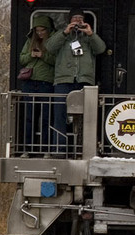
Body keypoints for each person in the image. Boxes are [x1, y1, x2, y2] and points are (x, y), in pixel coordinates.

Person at [45, 9, 106, 156]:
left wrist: (90, 34)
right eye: (75, 18)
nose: (78, 21)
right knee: (59, 115)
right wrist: (65, 32)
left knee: (87, 117)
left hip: (84, 81)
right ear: (69, 20)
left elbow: (101, 49)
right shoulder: (62, 35)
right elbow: (49, 47)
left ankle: (85, 150)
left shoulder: (88, 37)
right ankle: (59, 150)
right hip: (63, 80)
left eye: (80, 18)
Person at [18, 16, 56, 157]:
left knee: (46, 118)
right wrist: (31, 55)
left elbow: (57, 60)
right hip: (29, 83)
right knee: (29, 117)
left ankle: (46, 149)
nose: (40, 33)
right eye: (37, 30)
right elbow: (22, 59)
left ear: (48, 29)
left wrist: (43, 56)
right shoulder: (30, 41)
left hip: (46, 84)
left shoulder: (53, 42)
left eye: (42, 30)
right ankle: (28, 149)